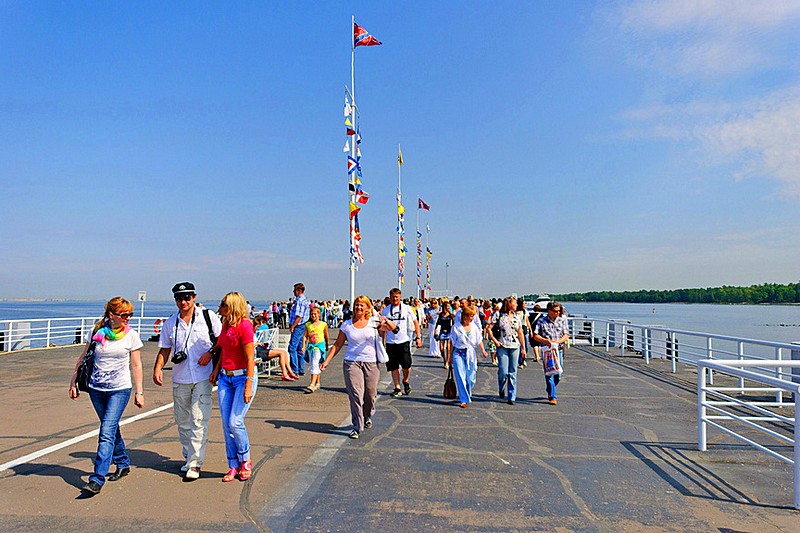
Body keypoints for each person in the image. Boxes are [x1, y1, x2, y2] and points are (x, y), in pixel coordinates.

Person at [69, 297, 144, 494]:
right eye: (124, 314)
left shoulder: (131, 336)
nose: (128, 318)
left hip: (119, 390)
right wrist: (73, 381)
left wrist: (139, 391)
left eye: (130, 314)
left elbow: (136, 364)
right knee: (110, 428)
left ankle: (97, 479)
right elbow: (84, 357)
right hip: (96, 389)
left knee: (106, 432)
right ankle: (123, 463)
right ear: (112, 315)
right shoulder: (97, 332)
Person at [153, 282, 222, 481]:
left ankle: (195, 463)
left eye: (187, 297)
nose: (183, 302)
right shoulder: (171, 323)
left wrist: (210, 353)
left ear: (194, 297)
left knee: (199, 419)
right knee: (182, 421)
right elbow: (165, 349)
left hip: (203, 376)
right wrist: (157, 368)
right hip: (180, 377)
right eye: (179, 298)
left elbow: (221, 342)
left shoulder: (208, 317)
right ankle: (188, 455)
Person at [320, 295, 395, 439]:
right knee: (356, 394)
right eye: (357, 305)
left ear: (368, 308)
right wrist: (327, 361)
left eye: (362, 305)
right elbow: (338, 345)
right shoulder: (347, 324)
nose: (359, 307)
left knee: (370, 393)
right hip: (351, 362)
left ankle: (367, 415)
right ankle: (357, 426)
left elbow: (393, 328)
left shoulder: (373, 322)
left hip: (371, 362)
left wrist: (384, 320)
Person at [210, 292, 257, 482]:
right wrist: (216, 369)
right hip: (225, 378)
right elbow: (224, 348)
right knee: (225, 423)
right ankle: (233, 464)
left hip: (242, 378)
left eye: (223, 304)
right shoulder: (226, 324)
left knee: (235, 422)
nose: (220, 307)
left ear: (233, 306)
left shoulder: (245, 326)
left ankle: (245, 460)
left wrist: (248, 385)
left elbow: (250, 358)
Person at [381, 288, 422, 398]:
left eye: (397, 297)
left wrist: (418, 337)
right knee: (393, 366)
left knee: (406, 365)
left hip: (403, 341)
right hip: (390, 342)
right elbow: (382, 328)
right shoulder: (385, 311)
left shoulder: (407, 308)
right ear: (390, 297)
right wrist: (381, 342)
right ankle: (397, 387)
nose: (395, 299)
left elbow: (415, 322)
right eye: (393, 297)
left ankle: (405, 380)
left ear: (400, 297)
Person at [486, 296, 526, 405]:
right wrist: (495, 341)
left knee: (513, 372)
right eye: (514, 303)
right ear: (509, 304)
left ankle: (511, 396)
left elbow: (520, 332)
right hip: (502, 345)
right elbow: (489, 328)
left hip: (515, 346)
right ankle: (501, 387)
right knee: (503, 371)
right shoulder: (499, 315)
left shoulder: (517, 316)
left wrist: (523, 348)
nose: (516, 305)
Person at [533, 301, 570, 405]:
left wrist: (557, 342)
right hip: (547, 351)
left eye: (559, 311)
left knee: (558, 372)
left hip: (558, 349)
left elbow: (566, 334)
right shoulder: (541, 320)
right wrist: (546, 341)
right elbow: (536, 335)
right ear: (549, 311)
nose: (558, 313)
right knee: (549, 373)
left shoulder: (562, 320)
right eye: (555, 311)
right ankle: (553, 396)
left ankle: (550, 388)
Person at [446, 305, 483, 408]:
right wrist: (449, 357)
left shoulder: (474, 327)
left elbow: (479, 340)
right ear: (464, 316)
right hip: (458, 353)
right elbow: (451, 342)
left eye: (473, 316)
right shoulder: (456, 327)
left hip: (470, 353)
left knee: (470, 378)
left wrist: (483, 350)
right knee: (461, 377)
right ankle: (463, 399)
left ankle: (467, 392)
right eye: (470, 316)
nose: (472, 318)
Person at [253, 315, 298, 381]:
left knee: (284, 352)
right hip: (258, 351)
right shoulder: (250, 333)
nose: (258, 328)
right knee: (281, 353)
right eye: (257, 326)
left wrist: (262, 345)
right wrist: (258, 343)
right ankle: (285, 374)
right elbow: (249, 345)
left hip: (260, 349)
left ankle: (290, 372)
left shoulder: (254, 333)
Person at [302, 305, 329, 393]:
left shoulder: (323, 324)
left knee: (314, 363)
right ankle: (317, 382)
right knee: (314, 364)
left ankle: (312, 384)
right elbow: (305, 336)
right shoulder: (308, 324)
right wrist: (303, 346)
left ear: (319, 315)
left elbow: (326, 336)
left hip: (319, 347)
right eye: (312, 314)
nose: (313, 316)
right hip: (311, 346)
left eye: (315, 314)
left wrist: (327, 344)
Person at [287, 283, 310, 376]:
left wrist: (293, 326)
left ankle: (294, 369)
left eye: (294, 290)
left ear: (299, 291)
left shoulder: (300, 300)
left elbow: (299, 316)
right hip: (303, 325)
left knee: (292, 347)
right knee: (300, 348)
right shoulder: (304, 300)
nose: (293, 292)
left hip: (298, 326)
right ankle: (301, 368)